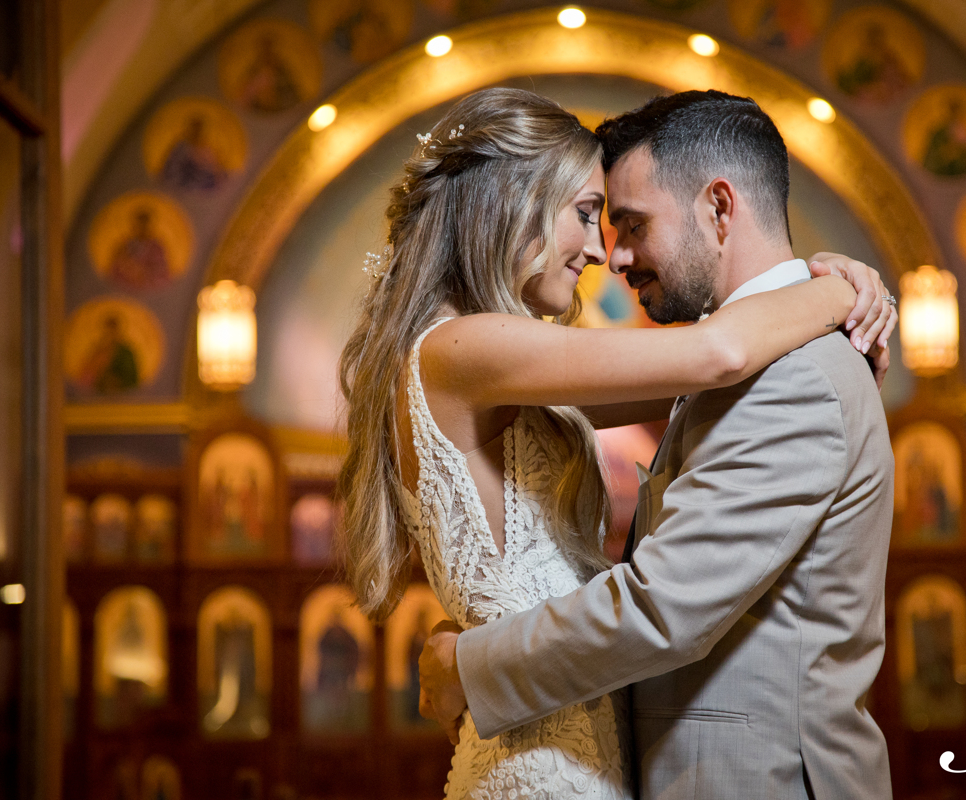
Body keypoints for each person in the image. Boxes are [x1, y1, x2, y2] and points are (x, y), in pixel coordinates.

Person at [338, 87, 894, 799]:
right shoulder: (465, 349)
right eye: (590, 216)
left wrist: (833, 289)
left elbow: (710, 368)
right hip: (542, 761)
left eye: (625, 221)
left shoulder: (789, 375)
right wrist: (840, 293)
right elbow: (715, 355)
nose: (606, 252)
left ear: (720, 209)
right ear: (514, 205)